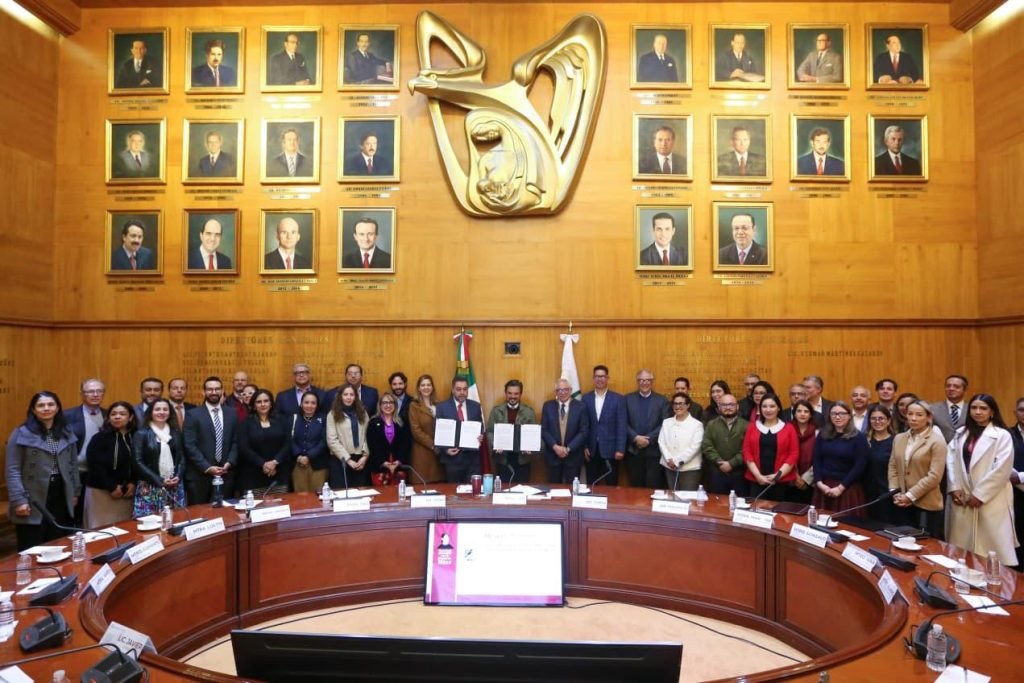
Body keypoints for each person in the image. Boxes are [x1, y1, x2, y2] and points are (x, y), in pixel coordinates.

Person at [946, 394, 1018, 566]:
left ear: (992, 412)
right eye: (974, 408)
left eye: (983, 408)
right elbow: (951, 461)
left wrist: (980, 494)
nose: (978, 412)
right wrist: (954, 486)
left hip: (991, 498)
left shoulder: (1002, 435)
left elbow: (1002, 469)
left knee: (991, 552)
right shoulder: (960, 433)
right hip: (963, 497)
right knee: (961, 552)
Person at [6, 392, 80, 551]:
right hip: (32, 495)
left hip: (61, 491)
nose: (46, 408)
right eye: (41, 405)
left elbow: (73, 465)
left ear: (57, 408)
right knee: (32, 544)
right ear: (33, 410)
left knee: (59, 542)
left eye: (51, 404)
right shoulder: (21, 432)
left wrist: (74, 492)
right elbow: (12, 469)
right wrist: (19, 500)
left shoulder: (66, 431)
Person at [889, 400, 946, 539]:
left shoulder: (936, 441)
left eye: (919, 415)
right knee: (900, 542)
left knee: (925, 544)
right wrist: (895, 491)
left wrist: (910, 496)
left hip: (926, 503)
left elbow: (934, 476)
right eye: (910, 414)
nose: (913, 418)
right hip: (901, 501)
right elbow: (893, 466)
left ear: (929, 417)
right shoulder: (899, 438)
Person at [184, 376, 239, 504]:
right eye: (210, 389)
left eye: (217, 389)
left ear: (222, 391)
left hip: (226, 474)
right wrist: (207, 467)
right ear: (203, 392)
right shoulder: (193, 414)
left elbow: (236, 441)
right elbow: (189, 445)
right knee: (199, 513)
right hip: (200, 476)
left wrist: (230, 462)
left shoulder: (232, 413)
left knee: (226, 512)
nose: (214, 392)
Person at [82, 402, 136, 527]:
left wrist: (133, 482)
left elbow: (138, 463)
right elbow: (95, 465)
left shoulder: (135, 437)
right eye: (113, 414)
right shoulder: (99, 438)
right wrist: (111, 487)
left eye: (122, 414)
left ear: (131, 417)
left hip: (127, 493)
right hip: (101, 492)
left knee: (125, 528)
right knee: (101, 529)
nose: (117, 417)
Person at [132, 397, 186, 517]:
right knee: (150, 522)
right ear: (151, 412)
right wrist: (160, 480)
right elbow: (137, 462)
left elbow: (181, 457)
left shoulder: (175, 433)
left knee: (176, 520)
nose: (161, 412)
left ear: (170, 412)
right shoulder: (141, 434)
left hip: (174, 485)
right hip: (150, 486)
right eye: (157, 409)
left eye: (165, 409)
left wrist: (178, 476)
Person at [812, 401, 869, 514]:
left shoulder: (859, 437)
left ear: (849, 416)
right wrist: (819, 483)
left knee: (845, 522)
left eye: (841, 413)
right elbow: (816, 459)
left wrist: (841, 487)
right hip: (824, 487)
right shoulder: (822, 435)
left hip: (847, 487)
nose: (837, 417)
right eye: (834, 414)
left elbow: (860, 465)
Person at [742, 393, 799, 502]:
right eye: (764, 406)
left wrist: (777, 476)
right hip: (756, 479)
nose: (768, 410)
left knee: (779, 511)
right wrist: (758, 476)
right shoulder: (752, 427)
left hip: (781, 480)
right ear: (760, 408)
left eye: (772, 406)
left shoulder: (789, 428)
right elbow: (746, 451)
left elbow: (793, 454)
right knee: (757, 509)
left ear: (778, 408)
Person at [65, 378, 106, 524]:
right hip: (77, 473)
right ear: (82, 393)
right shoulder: (68, 416)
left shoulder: (109, 415)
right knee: (75, 513)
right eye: (90, 391)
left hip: (100, 474)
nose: (95, 394)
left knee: (95, 515)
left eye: (99, 391)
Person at [238, 389, 291, 494]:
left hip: (279, 471)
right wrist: (263, 464)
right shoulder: (246, 423)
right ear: (254, 405)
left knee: (280, 502)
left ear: (271, 404)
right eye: (259, 402)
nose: (263, 404)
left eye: (266, 401)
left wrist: (275, 462)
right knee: (256, 503)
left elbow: (288, 443)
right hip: (253, 474)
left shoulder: (282, 420)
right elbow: (244, 447)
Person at [580, 366, 626, 487]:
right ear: (593, 378)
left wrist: (620, 449)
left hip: (611, 450)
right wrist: (584, 446)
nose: (599, 379)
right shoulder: (586, 398)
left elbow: (621, 425)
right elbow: (583, 425)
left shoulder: (618, 399)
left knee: (611, 485)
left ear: (607, 378)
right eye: (597, 376)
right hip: (591, 450)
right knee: (591, 485)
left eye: (602, 376)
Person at [487, 379, 539, 485]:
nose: (513, 396)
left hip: (523, 459)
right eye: (510, 393)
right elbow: (490, 432)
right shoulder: (496, 411)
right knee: (503, 489)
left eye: (516, 394)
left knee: (522, 489)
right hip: (503, 459)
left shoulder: (529, 412)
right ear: (505, 393)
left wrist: (530, 447)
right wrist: (495, 444)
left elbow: (534, 435)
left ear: (520, 394)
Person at [625, 369, 671, 487]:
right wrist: (635, 437)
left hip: (654, 452)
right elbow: (622, 422)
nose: (644, 383)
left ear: (652, 381)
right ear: (637, 381)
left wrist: (648, 439)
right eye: (641, 380)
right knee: (636, 488)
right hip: (634, 451)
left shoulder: (662, 400)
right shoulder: (627, 399)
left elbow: (665, 423)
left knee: (653, 487)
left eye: (647, 380)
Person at [434, 377, 485, 483]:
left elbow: (480, 427)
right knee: (454, 491)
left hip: (472, 460)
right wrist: (445, 450)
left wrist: (481, 435)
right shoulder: (442, 408)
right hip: (452, 460)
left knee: (473, 491)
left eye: (465, 389)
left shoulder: (475, 406)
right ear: (453, 390)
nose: (462, 392)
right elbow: (437, 432)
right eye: (458, 389)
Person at [541, 378, 591, 484]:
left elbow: (583, 431)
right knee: (554, 489)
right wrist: (555, 447)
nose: (562, 392)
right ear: (555, 392)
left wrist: (568, 449)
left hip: (574, 456)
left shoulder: (581, 407)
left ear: (570, 390)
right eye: (559, 390)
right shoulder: (548, 406)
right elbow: (544, 430)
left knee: (573, 490)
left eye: (565, 389)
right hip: (553, 456)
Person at [701, 393, 748, 495]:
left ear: (737, 406)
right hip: (716, 472)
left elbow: (747, 449)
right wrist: (719, 461)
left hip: (739, 473)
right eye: (724, 405)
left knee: (738, 502)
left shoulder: (746, 425)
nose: (728, 407)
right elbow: (707, 445)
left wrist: (732, 463)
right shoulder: (711, 424)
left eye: (731, 404)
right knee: (716, 502)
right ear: (719, 407)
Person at [326, 384, 370, 488]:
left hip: (360, 459)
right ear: (340, 396)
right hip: (340, 459)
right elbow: (332, 440)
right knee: (341, 491)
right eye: (345, 394)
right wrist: (348, 460)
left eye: (351, 394)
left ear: (356, 397)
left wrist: (365, 456)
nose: (349, 397)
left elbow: (368, 436)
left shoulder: (363, 413)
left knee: (360, 492)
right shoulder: (332, 414)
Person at [658, 393, 704, 491]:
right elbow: (661, 442)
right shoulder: (666, 422)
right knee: (672, 496)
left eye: (681, 403)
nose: (678, 406)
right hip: (669, 467)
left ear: (688, 405)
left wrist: (676, 461)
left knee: (688, 497)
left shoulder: (697, 425)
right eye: (675, 403)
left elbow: (695, 447)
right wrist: (669, 459)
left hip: (689, 469)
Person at [366, 393, 411, 485]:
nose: (388, 405)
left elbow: (406, 444)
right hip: (379, 466)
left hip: (399, 466)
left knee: (399, 492)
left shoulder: (402, 422)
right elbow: (372, 445)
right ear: (380, 405)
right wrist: (383, 462)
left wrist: (398, 461)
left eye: (391, 402)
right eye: (385, 403)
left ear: (395, 405)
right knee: (381, 493)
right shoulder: (373, 422)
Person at [289, 391, 329, 493]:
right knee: (300, 496)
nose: (309, 406)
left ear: (317, 405)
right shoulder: (294, 418)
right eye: (306, 402)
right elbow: (289, 440)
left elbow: (324, 441)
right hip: (298, 463)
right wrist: (299, 456)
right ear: (301, 404)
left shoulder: (324, 418)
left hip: (318, 464)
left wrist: (309, 456)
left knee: (318, 496)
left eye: (313, 403)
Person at [408, 374, 445, 483]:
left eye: (429, 385)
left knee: (439, 485)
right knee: (423, 485)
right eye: (423, 385)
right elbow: (416, 431)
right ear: (419, 388)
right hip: (422, 453)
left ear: (432, 387)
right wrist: (433, 445)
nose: (426, 387)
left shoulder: (439, 405)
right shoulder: (414, 406)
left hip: (439, 454)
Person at [863, 405, 896, 523]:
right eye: (873, 418)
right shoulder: (864, 440)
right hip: (865, 492)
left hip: (887, 493)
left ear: (888, 421)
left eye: (881, 418)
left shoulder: (896, 441)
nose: (877, 422)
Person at [788, 400, 818, 503]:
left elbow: (820, 458)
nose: (802, 414)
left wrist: (806, 479)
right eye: (799, 411)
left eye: (806, 411)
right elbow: (784, 455)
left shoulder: (818, 432)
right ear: (794, 413)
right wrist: (795, 476)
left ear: (811, 415)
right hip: (789, 479)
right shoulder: (787, 430)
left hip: (810, 482)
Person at [1009, 397, 1024, 568]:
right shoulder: (1006, 434)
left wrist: (1021, 477)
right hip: (1012, 494)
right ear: (1015, 413)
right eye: (1021, 410)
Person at [932, 374, 968, 442]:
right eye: (948, 386)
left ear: (964, 389)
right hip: (941, 447)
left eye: (956, 386)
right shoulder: (932, 408)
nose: (951, 389)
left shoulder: (971, 409)